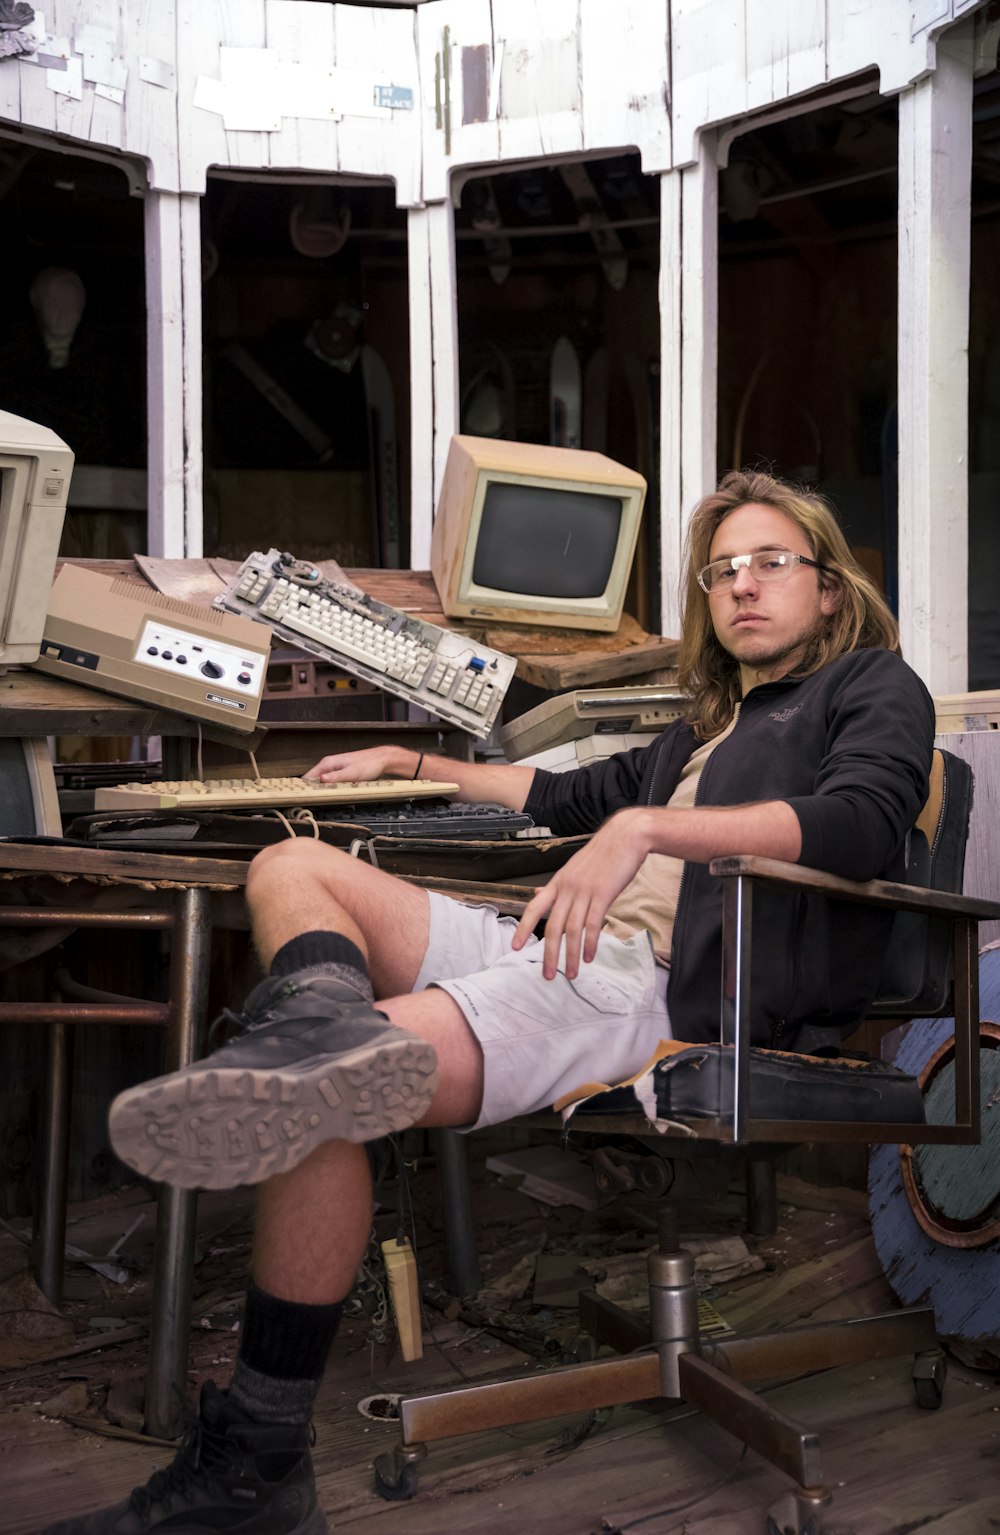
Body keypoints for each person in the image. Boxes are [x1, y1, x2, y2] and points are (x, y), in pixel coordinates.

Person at [39, 470, 934, 1535]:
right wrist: (412, 761)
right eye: (722, 570)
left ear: (829, 588)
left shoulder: (872, 686)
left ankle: (255, 1462)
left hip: (662, 989)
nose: (742, 587)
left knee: (321, 1090)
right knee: (292, 867)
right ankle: (317, 1028)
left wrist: (648, 831)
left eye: (771, 563)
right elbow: (561, 796)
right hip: (561, 945)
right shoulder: (706, 729)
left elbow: (860, 825)